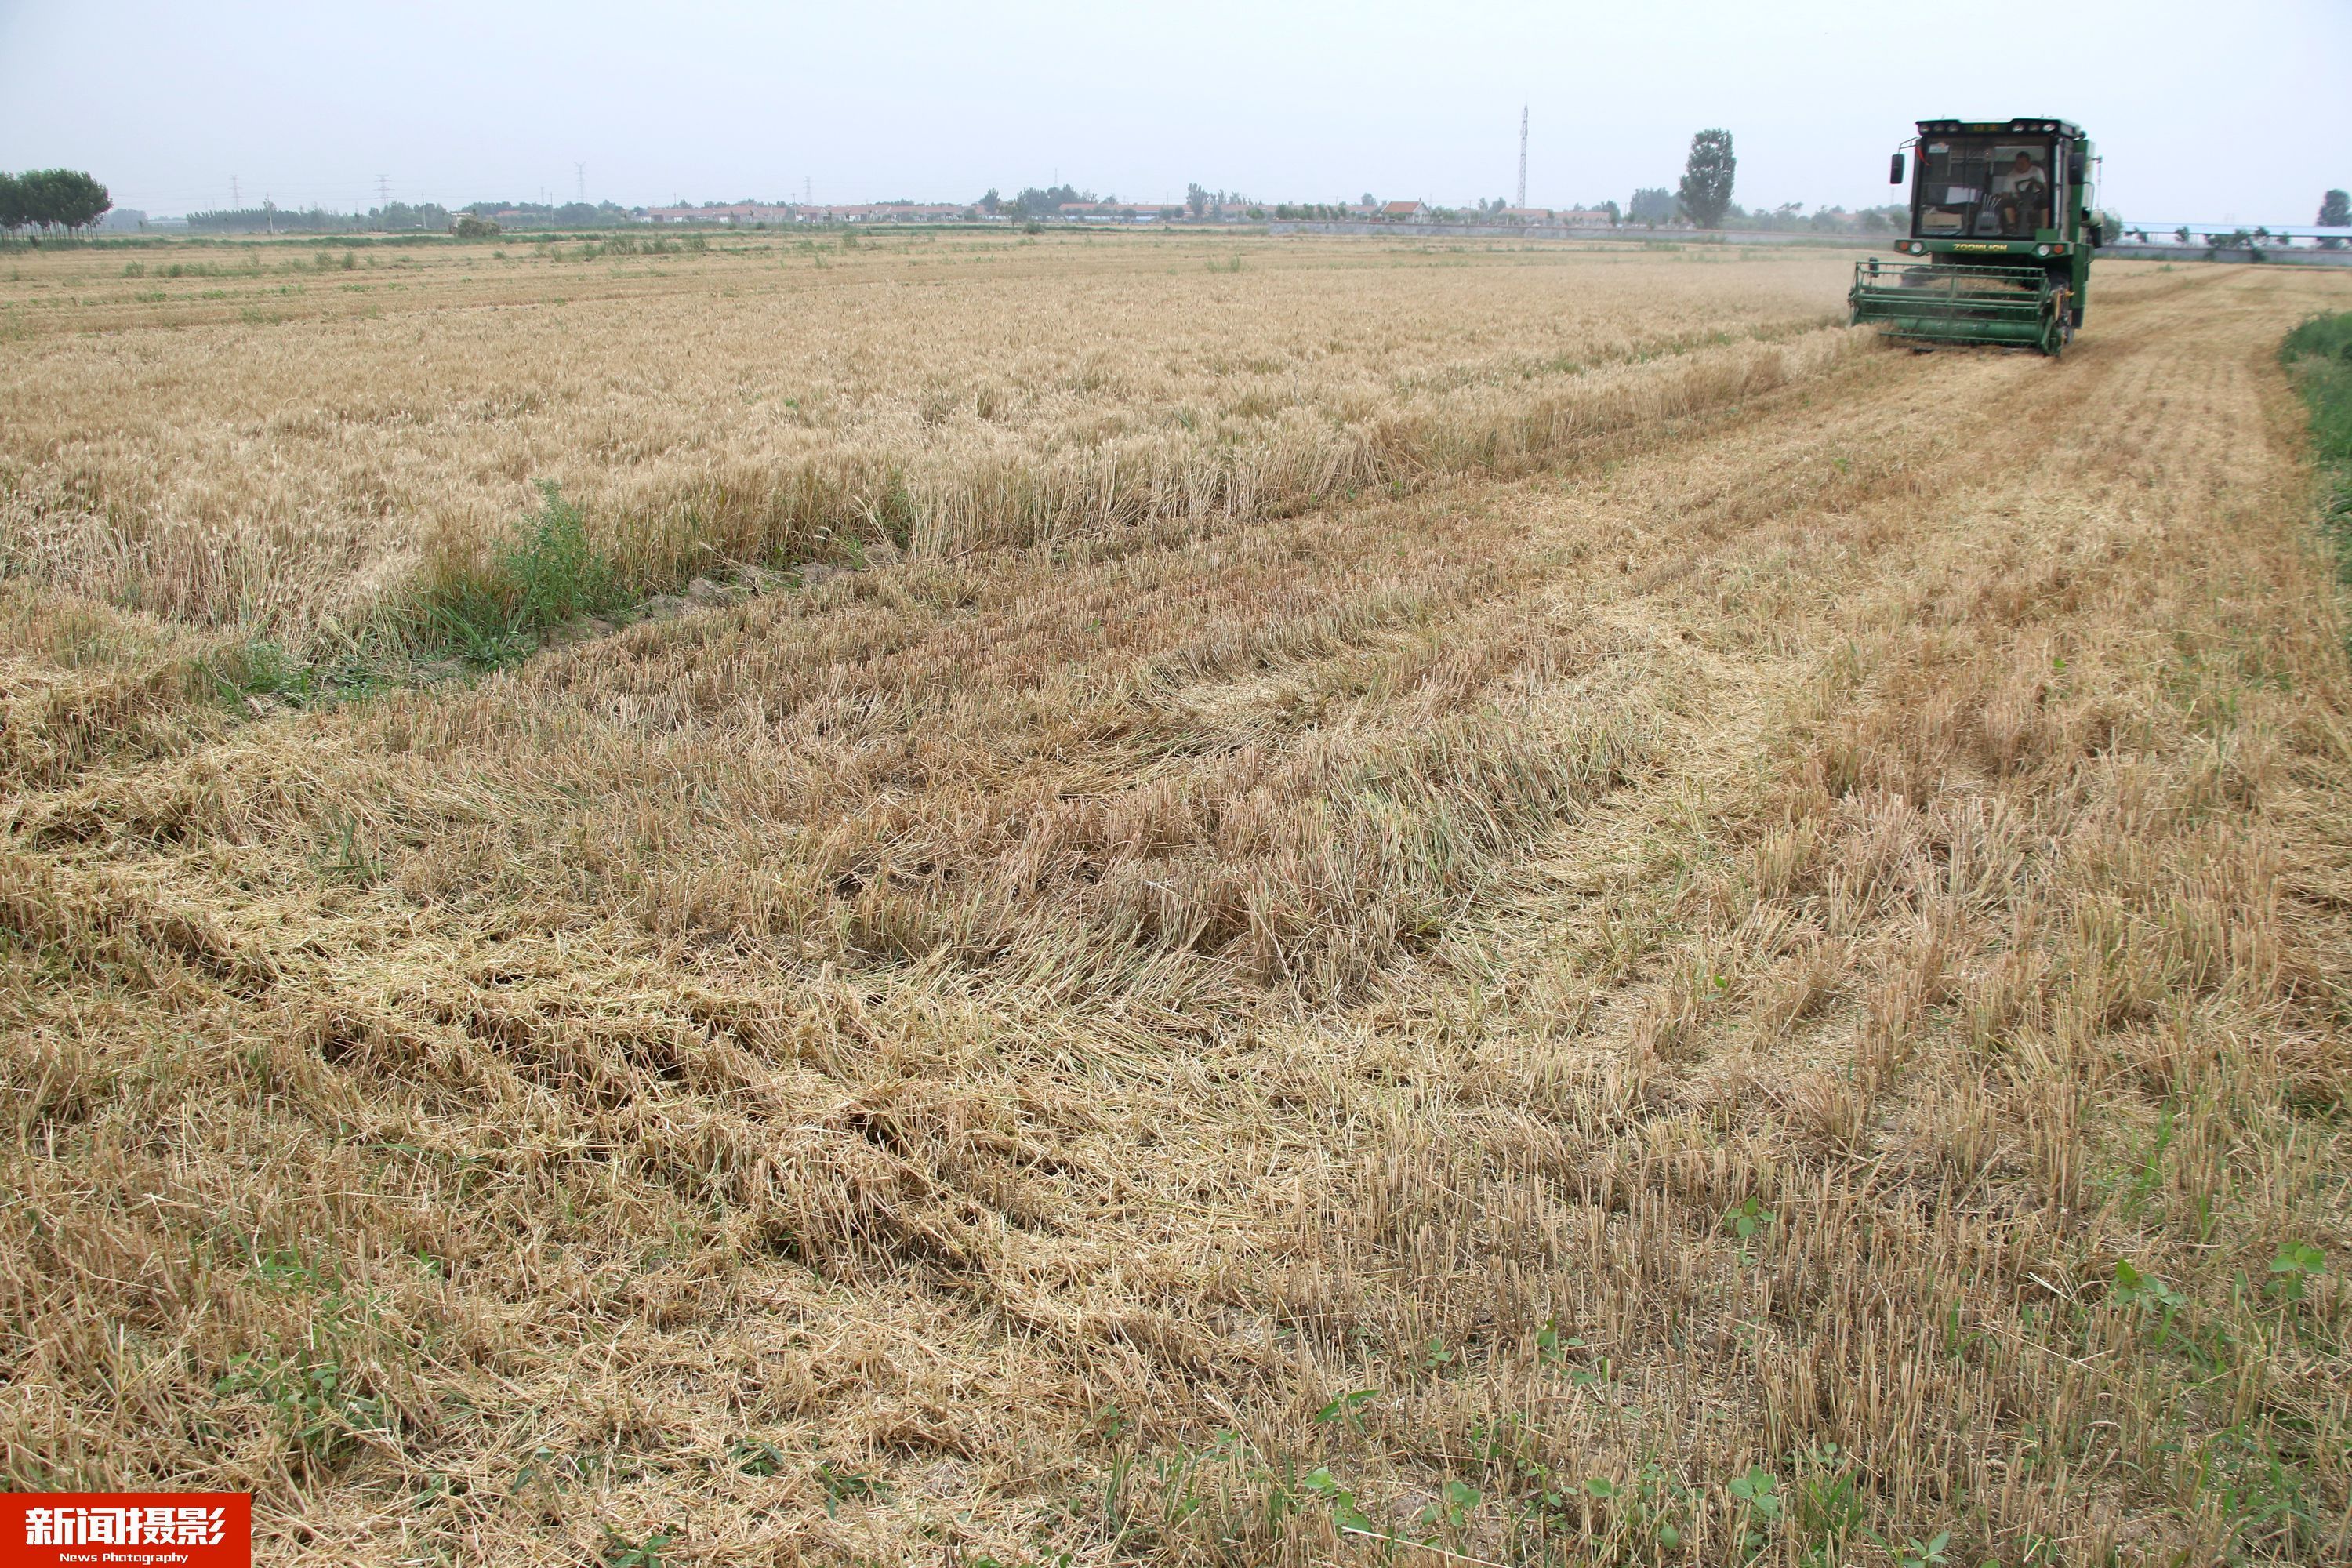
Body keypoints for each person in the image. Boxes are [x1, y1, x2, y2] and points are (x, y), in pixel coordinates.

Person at [1992, 152, 2048, 236]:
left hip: (2035, 199)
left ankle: (2044, 231)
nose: (2019, 166)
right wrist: (2002, 198)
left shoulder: (2037, 171)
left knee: (2046, 203)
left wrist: (2037, 184)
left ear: (2029, 163)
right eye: (2018, 163)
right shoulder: (2011, 175)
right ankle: (2012, 228)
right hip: (2018, 200)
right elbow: (2006, 194)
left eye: (2022, 163)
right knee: (2006, 203)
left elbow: (2044, 188)